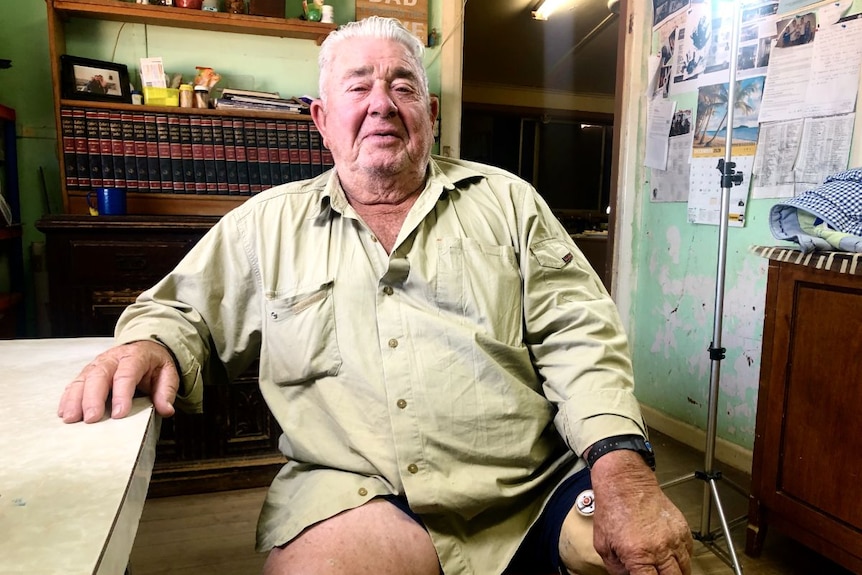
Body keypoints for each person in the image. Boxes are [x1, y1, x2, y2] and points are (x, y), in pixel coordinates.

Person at [58, 16, 692, 575]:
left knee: (648, 557)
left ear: (430, 114)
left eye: (403, 86)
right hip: (358, 496)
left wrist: (622, 471)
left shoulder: (509, 203)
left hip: (531, 492)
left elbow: (580, 337)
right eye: (359, 86)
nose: (382, 104)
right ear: (321, 119)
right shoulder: (265, 225)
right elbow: (180, 311)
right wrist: (146, 344)